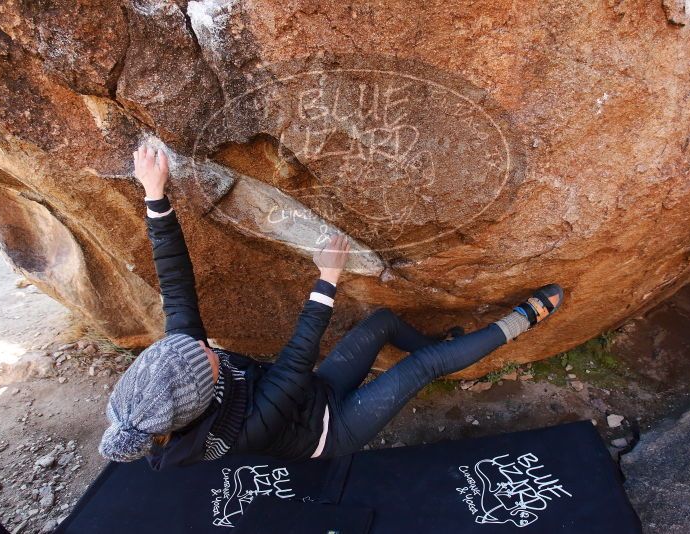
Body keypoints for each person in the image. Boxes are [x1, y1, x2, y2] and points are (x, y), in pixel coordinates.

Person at [98, 144, 564, 468]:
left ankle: (447, 347)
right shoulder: (239, 434)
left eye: (192, 346)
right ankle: (521, 321)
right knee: (423, 366)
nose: (206, 347)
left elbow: (176, 285)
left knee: (383, 322)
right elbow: (293, 365)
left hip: (314, 392)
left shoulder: (179, 363)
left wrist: (155, 195)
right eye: (205, 357)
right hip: (331, 431)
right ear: (200, 396)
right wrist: (328, 278)